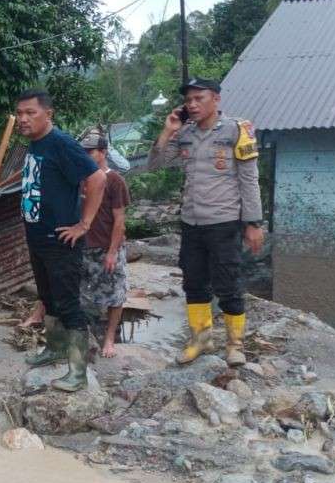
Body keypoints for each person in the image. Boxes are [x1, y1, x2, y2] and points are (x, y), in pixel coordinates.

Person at [147, 77, 264, 367]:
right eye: (188, 100)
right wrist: (168, 130)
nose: (193, 105)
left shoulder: (236, 131)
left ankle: (235, 344)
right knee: (194, 282)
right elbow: (155, 164)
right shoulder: (184, 134)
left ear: (216, 99)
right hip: (191, 223)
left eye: (199, 98)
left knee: (228, 282)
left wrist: (253, 223)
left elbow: (249, 180)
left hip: (224, 223)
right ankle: (201, 339)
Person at [17, 89, 107, 391]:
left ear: (48, 114)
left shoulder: (61, 144)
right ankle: (54, 348)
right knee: (48, 297)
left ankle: (78, 372)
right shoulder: (36, 145)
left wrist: (84, 224)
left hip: (61, 241)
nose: (24, 119)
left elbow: (97, 179)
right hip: (38, 238)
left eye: (31, 112)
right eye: (20, 113)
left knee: (68, 304)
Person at [78, 127, 130, 358]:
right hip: (83, 246)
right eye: (84, 152)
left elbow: (120, 220)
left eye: (90, 152)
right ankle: (85, 336)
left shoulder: (114, 180)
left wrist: (112, 251)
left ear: (102, 152)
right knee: (81, 293)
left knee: (115, 294)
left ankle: (110, 338)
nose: (85, 155)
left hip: (107, 247)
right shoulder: (80, 179)